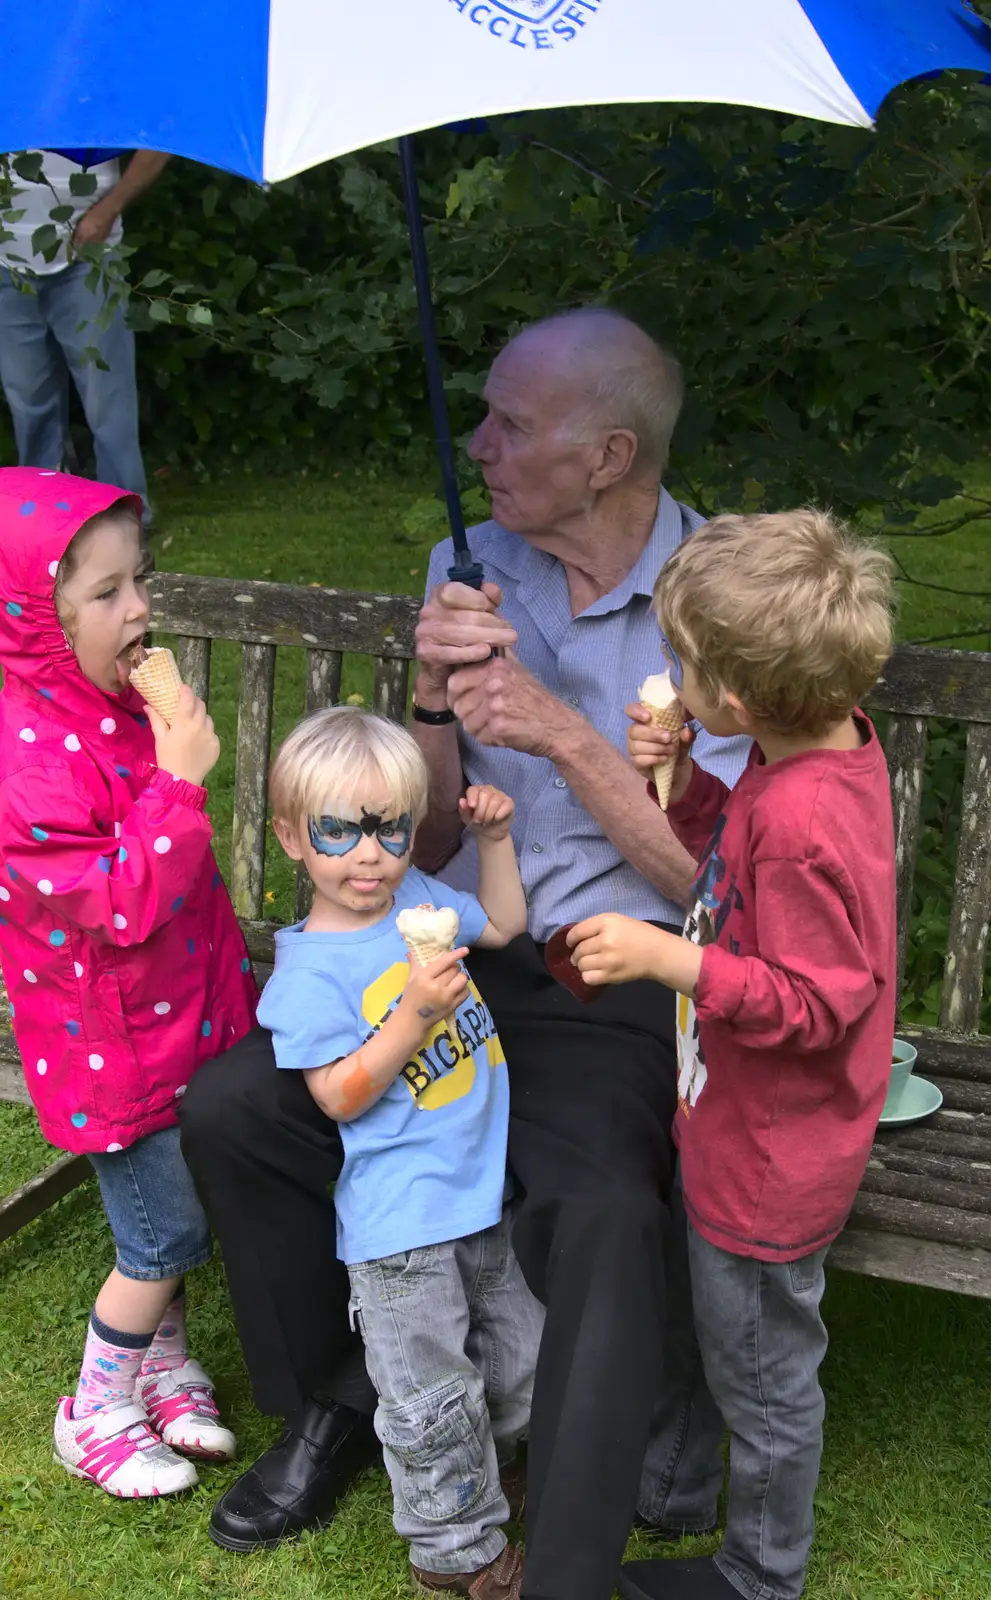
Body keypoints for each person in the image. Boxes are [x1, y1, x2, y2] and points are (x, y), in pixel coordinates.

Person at [180, 308, 750, 1600]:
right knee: (233, 1110)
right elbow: (421, 827)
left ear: (607, 455)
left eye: (511, 421)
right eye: (480, 414)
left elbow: (713, 885)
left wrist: (561, 734)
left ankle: (557, 1556)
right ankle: (335, 1400)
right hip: (441, 944)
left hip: (607, 970)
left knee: (600, 1203)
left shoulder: (717, 602)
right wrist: (432, 704)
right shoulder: (468, 559)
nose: (477, 443)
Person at [568, 509, 897, 1600]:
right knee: (722, 1335)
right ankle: (674, 1488)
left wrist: (673, 960)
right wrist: (695, 785)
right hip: (732, 1121)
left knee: (763, 1378)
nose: (672, 676)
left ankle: (760, 1575)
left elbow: (818, 999)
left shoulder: (806, 813)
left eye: (686, 666)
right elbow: (746, 869)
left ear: (741, 699)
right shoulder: (807, 752)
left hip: (771, 1157)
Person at [0, 467, 257, 1497]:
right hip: (114, 1041)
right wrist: (182, 777)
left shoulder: (104, 705)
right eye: (107, 594)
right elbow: (120, 903)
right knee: (162, 1234)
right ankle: (96, 1404)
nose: (141, 607)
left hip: (184, 1013)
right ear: (31, 618)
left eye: (137, 579)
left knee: (169, 1205)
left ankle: (161, 1361)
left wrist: (164, 760)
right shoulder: (20, 766)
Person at [257, 707, 543, 1597]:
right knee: (428, 1398)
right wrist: (415, 1014)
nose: (368, 854)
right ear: (292, 838)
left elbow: (500, 924)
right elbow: (340, 1093)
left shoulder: (421, 900)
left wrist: (493, 840)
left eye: (388, 828)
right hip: (399, 1225)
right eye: (338, 831)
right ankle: (454, 1554)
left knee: (519, 1359)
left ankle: (487, 1479)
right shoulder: (307, 972)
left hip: (476, 1191)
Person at [0, 150, 168, 518]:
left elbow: (156, 143)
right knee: (28, 398)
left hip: (90, 256)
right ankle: (41, 516)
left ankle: (125, 517)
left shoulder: (96, 90)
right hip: (7, 266)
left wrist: (108, 211)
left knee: (107, 398)